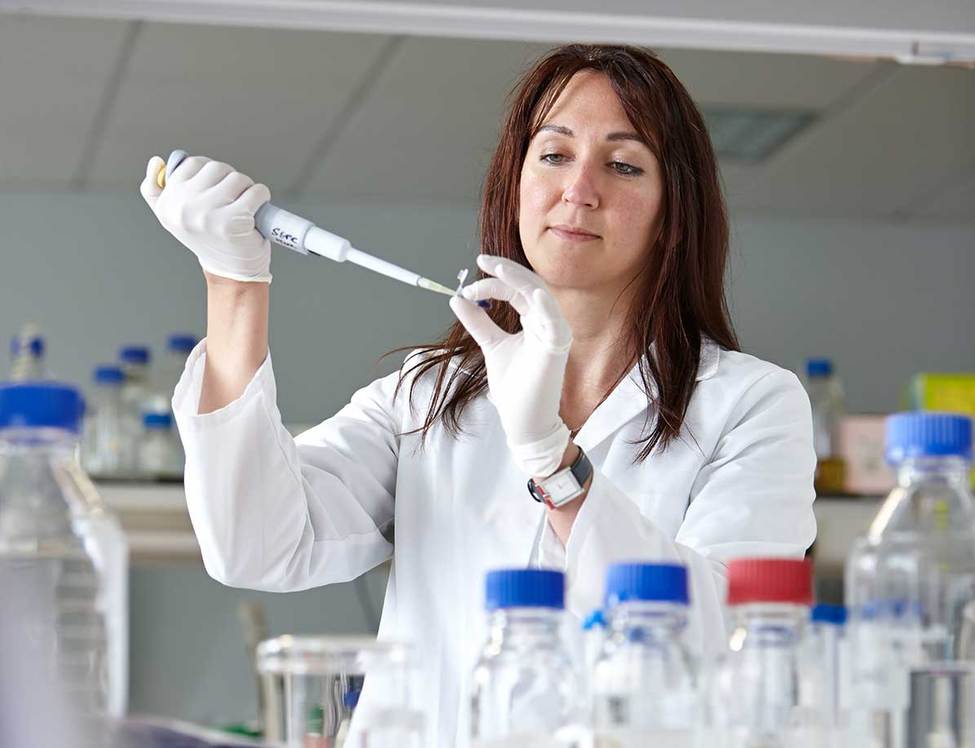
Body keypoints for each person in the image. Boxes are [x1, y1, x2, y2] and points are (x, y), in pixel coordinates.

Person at [140, 43, 816, 746]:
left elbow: (730, 641)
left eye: (622, 164)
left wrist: (555, 464)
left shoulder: (748, 404)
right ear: (513, 183)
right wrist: (234, 283)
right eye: (553, 155)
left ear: (675, 212)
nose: (578, 190)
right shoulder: (429, 396)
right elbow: (256, 546)